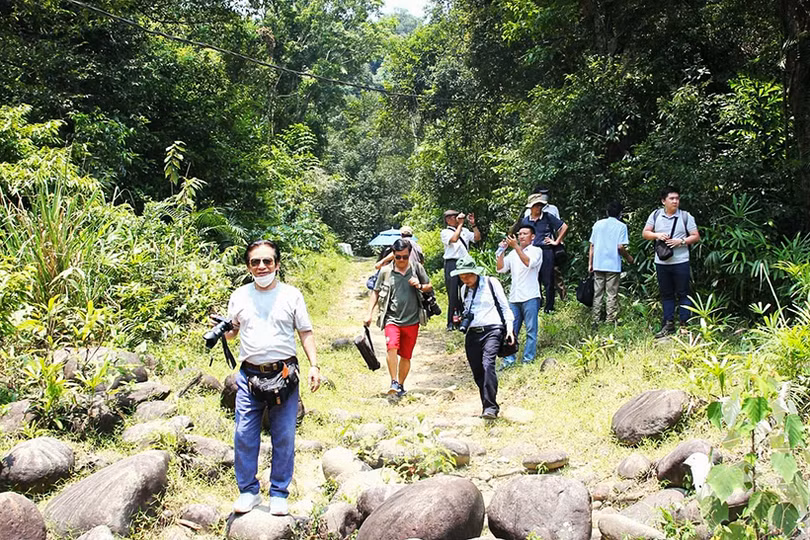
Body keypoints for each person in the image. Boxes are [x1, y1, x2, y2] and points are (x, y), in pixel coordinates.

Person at [224, 240, 321, 516]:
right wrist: (222, 329)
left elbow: (305, 331)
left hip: (284, 374)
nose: (262, 266)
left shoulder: (291, 295)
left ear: (277, 264)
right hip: (248, 376)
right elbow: (233, 331)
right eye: (255, 262)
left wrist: (314, 364)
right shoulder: (239, 296)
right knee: (244, 434)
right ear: (248, 267)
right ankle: (248, 491)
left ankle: (279, 492)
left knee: (284, 435)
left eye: (267, 261)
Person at [365, 238, 432, 397]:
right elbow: (375, 291)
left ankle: (401, 385)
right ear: (393, 255)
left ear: (409, 255)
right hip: (391, 319)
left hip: (412, 319)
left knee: (406, 355)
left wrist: (419, 285)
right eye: (398, 257)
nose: (401, 260)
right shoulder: (385, 271)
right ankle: (393, 381)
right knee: (391, 347)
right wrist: (369, 313)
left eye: (405, 256)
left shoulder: (417, 268)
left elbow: (429, 286)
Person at [452, 254, 515, 419]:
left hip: (493, 329)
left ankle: (491, 408)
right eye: (462, 276)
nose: (465, 279)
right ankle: (486, 405)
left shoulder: (491, 282)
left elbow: (504, 305)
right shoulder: (464, 289)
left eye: (468, 275)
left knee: (488, 365)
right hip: (472, 333)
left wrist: (509, 329)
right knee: (478, 371)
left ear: (475, 272)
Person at [642, 186, 700, 337]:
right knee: (666, 294)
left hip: (681, 261)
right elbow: (645, 233)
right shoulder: (655, 215)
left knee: (683, 293)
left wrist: (680, 241)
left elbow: (695, 236)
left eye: (677, 198)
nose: (675, 201)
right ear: (663, 201)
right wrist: (657, 235)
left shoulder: (686, 216)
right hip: (661, 262)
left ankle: (684, 325)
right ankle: (668, 325)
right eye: (671, 198)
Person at [496, 225, 542, 368]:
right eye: (519, 234)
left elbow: (529, 263)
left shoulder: (536, 251)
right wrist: (502, 251)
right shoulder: (513, 253)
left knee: (531, 330)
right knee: (511, 330)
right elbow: (500, 269)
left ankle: (528, 360)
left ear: (532, 237)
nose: (521, 236)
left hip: (531, 296)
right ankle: (509, 360)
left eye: (525, 234)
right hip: (515, 297)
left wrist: (516, 247)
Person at [516, 193, 568, 313]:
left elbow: (564, 226)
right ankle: (537, 304)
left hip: (546, 250)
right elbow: (520, 235)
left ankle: (549, 308)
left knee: (548, 280)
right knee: (534, 279)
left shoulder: (548, 217)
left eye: (540, 205)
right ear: (531, 207)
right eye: (536, 206)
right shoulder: (525, 220)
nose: (538, 208)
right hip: (531, 252)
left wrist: (556, 241)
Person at [588, 202, 634, 326]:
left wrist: (590, 263)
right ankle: (610, 319)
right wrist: (629, 257)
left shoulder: (598, 224)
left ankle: (595, 319)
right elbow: (620, 247)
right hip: (613, 264)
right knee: (611, 293)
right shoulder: (621, 226)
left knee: (597, 293)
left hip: (598, 263)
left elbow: (592, 245)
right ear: (620, 213)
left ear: (607, 212)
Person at [441, 209, 481, 329]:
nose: (457, 219)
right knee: (453, 293)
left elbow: (477, 238)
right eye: (454, 217)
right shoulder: (445, 232)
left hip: (464, 263)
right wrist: (460, 225)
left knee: (467, 290)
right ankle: (451, 322)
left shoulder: (464, 230)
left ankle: (465, 319)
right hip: (452, 262)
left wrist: (473, 224)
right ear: (448, 219)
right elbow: (454, 239)